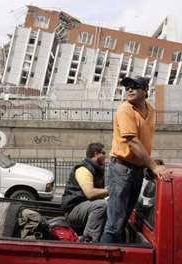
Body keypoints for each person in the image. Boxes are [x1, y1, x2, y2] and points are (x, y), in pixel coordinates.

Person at [100, 77, 171, 244]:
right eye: (127, 87)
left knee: (124, 219)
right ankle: (105, 260)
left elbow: (143, 139)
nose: (129, 90)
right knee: (115, 223)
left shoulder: (151, 110)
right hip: (122, 169)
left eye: (135, 87)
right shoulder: (125, 109)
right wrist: (153, 166)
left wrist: (148, 161)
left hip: (136, 169)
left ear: (145, 91)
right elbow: (132, 141)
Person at [62, 143, 108, 242]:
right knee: (101, 205)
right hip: (74, 210)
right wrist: (110, 191)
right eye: (103, 153)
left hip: (84, 207)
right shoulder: (83, 169)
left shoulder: (96, 169)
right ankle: (88, 240)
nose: (105, 156)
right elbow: (90, 193)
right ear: (96, 154)